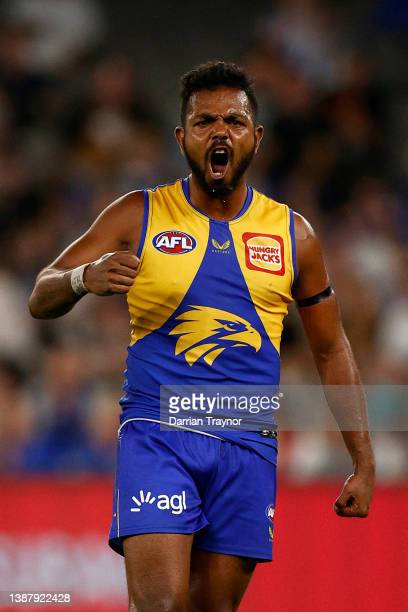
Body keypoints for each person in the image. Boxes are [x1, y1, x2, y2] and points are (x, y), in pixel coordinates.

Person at [29, 61, 375, 612]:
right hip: (157, 434)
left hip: (247, 442)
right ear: (181, 136)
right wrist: (81, 279)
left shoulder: (294, 234)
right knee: (162, 607)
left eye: (235, 122)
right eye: (205, 121)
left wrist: (362, 459)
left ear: (256, 137)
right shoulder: (137, 213)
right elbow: (41, 294)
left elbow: (332, 348)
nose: (220, 132)